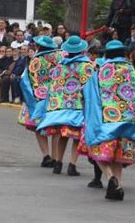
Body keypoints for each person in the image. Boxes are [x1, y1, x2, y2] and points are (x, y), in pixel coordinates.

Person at [78, 40, 135, 200]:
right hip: (127, 122)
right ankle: (118, 185)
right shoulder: (130, 70)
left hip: (105, 121)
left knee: (97, 151)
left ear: (107, 54)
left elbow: (86, 93)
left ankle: (110, 178)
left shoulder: (100, 72)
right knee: (118, 155)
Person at [37, 36, 96, 176]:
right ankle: (72, 165)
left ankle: (58, 162)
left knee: (63, 135)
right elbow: (90, 86)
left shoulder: (60, 66)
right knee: (76, 136)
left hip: (61, 107)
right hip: (77, 106)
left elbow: (54, 85)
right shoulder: (86, 66)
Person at [19, 36, 64, 168]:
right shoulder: (59, 58)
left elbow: (25, 81)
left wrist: (31, 98)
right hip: (56, 96)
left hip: (38, 97)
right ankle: (56, 157)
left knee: (38, 126)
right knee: (56, 128)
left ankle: (46, 155)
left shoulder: (35, 60)